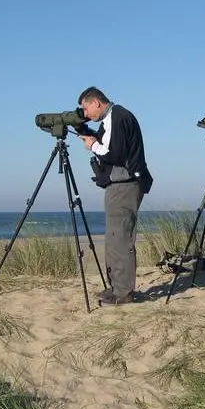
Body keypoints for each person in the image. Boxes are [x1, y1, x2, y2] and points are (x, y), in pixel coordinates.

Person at [76, 86, 153, 306]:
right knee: (113, 238)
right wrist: (85, 132)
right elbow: (109, 144)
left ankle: (124, 292)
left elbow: (115, 153)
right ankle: (117, 287)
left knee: (120, 238)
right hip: (118, 185)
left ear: (96, 103)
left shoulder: (118, 117)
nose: (85, 113)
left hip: (125, 184)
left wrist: (93, 146)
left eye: (85, 108)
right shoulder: (112, 119)